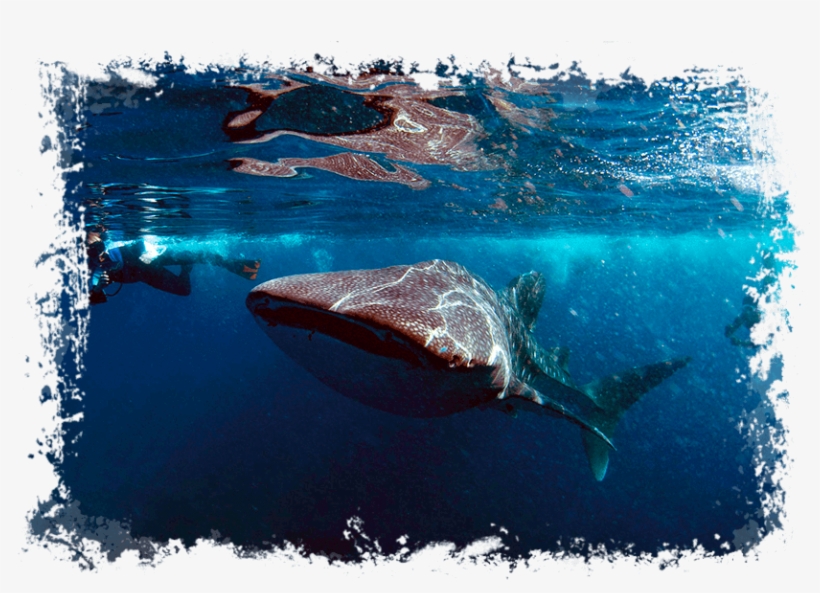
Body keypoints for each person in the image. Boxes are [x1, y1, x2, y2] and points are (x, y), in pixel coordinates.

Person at [87, 231, 261, 305]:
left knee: (198, 255)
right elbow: (93, 299)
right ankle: (186, 269)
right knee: (184, 290)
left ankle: (235, 265)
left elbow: (140, 240)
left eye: (99, 248)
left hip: (143, 258)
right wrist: (99, 287)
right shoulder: (94, 269)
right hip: (144, 273)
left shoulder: (112, 243)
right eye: (93, 253)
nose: (100, 255)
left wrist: (151, 252)